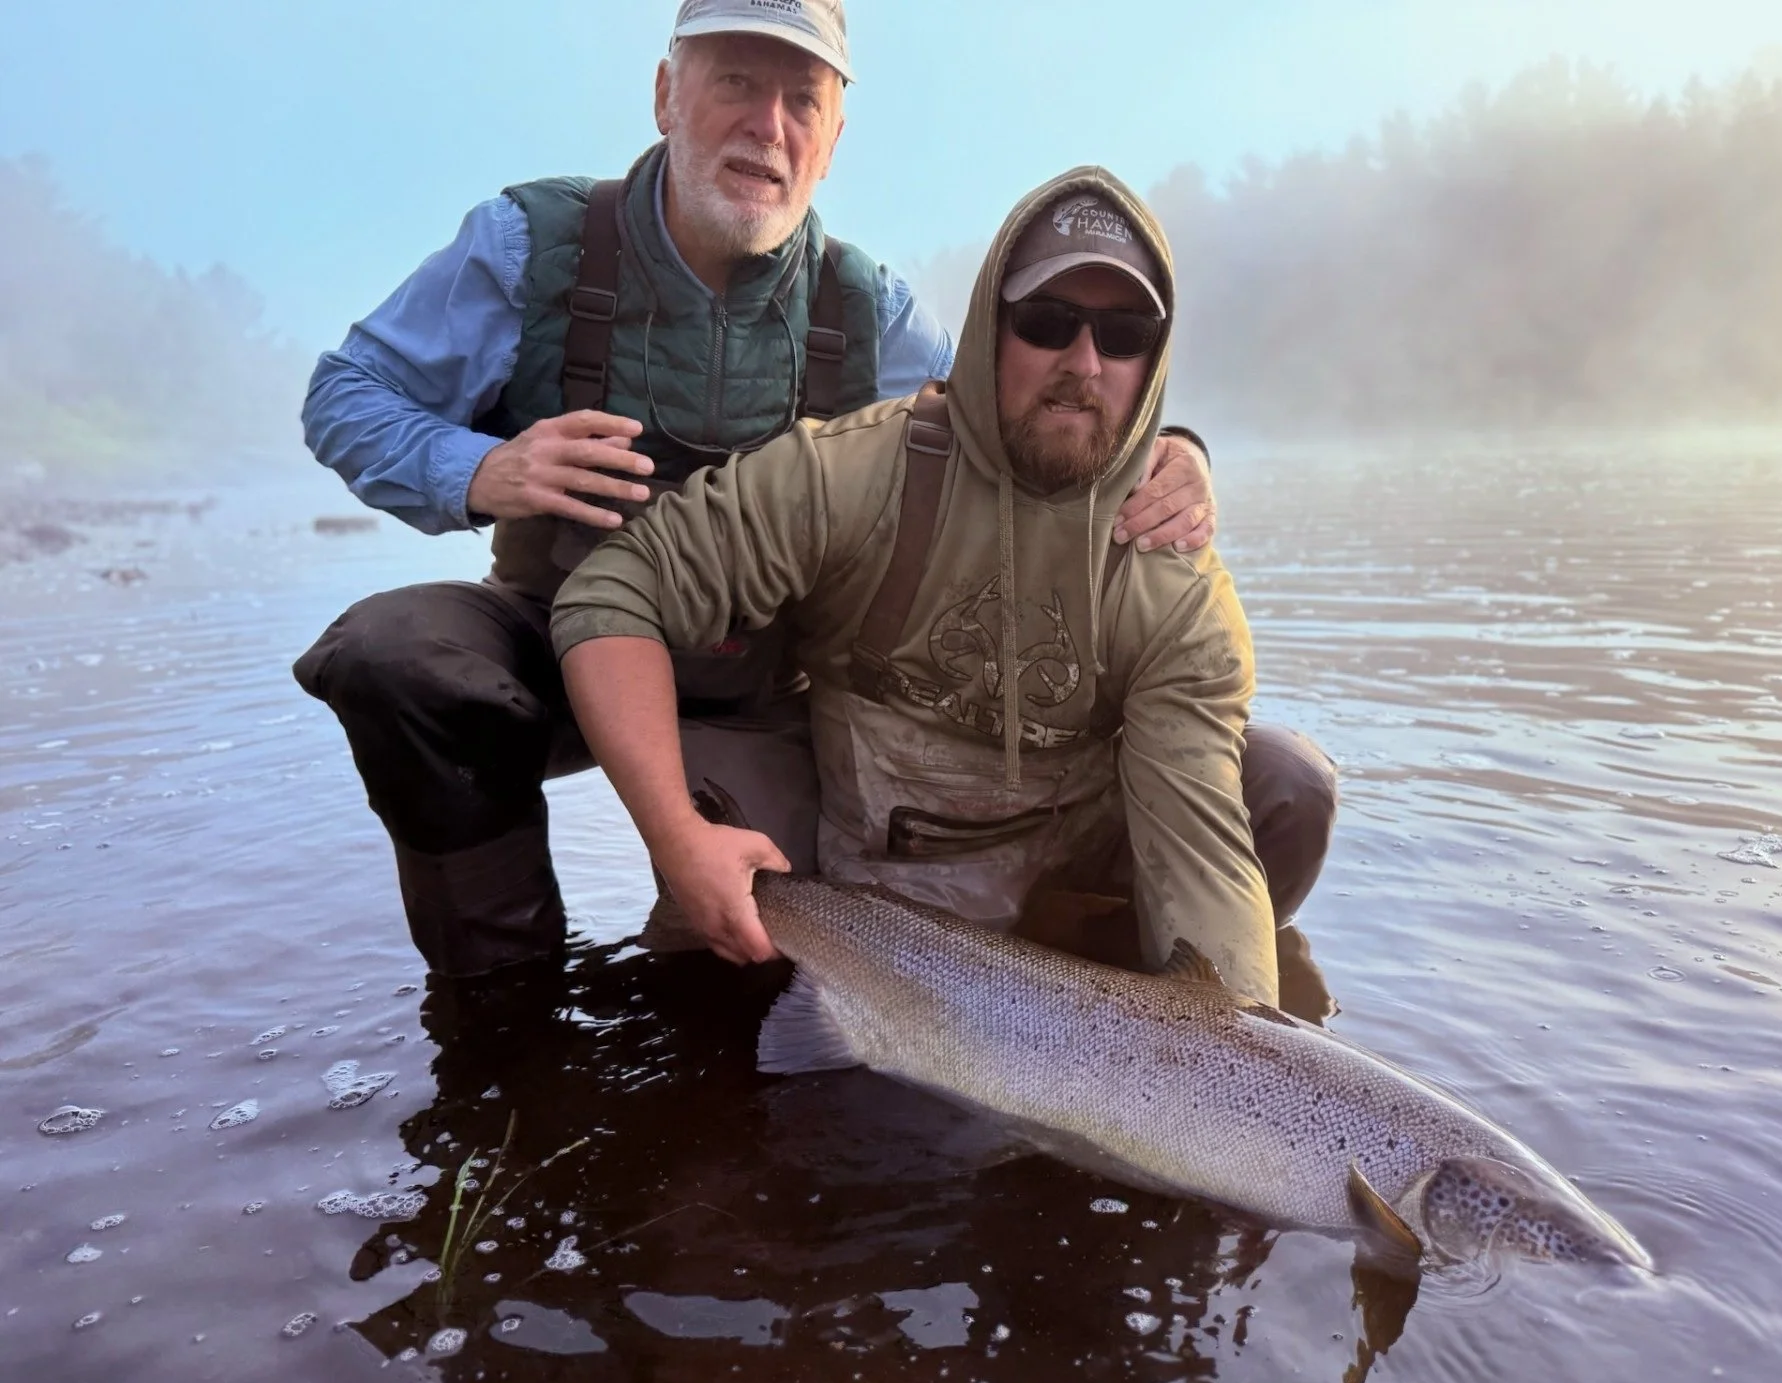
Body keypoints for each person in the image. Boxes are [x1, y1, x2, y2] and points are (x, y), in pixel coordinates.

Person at [292, 0, 1226, 978]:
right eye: (736, 81)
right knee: (393, 657)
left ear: (831, 144)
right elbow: (344, 397)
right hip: (547, 633)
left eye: (802, 101)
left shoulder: (869, 307)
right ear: (666, 94)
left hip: (768, 688)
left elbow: (1018, 424)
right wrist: (484, 469)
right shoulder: (529, 245)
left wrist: (1178, 450)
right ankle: (503, 1002)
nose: (766, 126)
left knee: (752, 951)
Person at [555, 168, 1336, 1005]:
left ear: (1155, 359)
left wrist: (1235, 1031)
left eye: (1124, 332)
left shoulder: (1175, 579)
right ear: (987, 329)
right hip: (867, 868)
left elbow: (1199, 851)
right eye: (1047, 322)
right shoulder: (849, 473)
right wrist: (676, 836)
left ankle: (1104, 994)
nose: (1083, 361)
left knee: (1287, 784)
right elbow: (612, 592)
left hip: (1068, 857)